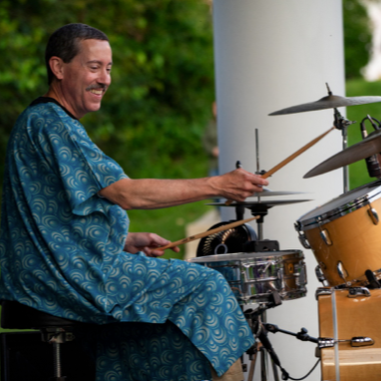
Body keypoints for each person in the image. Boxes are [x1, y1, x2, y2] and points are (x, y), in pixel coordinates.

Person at [0, 24, 268, 381]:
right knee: (207, 284)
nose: (105, 79)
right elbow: (126, 193)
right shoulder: (52, 124)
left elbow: (48, 218)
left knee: (156, 325)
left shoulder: (42, 122)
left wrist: (123, 240)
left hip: (45, 272)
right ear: (59, 67)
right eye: (94, 67)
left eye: (108, 68)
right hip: (66, 277)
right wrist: (217, 184)